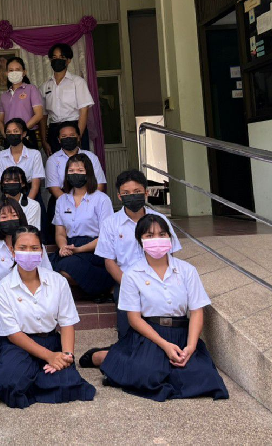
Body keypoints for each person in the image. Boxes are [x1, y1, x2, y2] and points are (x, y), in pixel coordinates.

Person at [83, 215, 229, 402]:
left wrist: (191, 347)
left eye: (162, 234)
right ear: (140, 240)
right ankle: (105, 356)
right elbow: (134, 319)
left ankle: (123, 355)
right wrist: (165, 345)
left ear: (170, 237)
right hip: (150, 334)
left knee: (205, 378)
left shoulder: (187, 270)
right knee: (148, 375)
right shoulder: (132, 274)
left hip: (181, 334)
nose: (157, 239)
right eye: (149, 235)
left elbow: (196, 312)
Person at [0, 226, 95, 407]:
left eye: (34, 248)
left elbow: (67, 323)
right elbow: (13, 334)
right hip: (18, 344)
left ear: (42, 251)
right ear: (12, 251)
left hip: (50, 340)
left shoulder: (58, 282)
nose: (29, 253)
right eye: (22, 248)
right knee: (13, 381)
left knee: (69, 383)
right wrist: (49, 357)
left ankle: (3, 382)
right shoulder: (3, 288)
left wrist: (66, 356)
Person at [94, 169, 183, 338]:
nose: (132, 196)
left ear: (146, 193)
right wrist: (130, 286)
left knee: (163, 331)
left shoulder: (160, 220)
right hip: (126, 282)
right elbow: (109, 261)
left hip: (159, 280)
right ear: (119, 196)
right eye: (126, 193)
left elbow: (170, 254)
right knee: (128, 335)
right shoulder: (110, 223)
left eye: (137, 192)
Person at [0, 198, 51, 363]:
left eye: (14, 215)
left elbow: (48, 278)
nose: (9, 220)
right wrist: (5, 310)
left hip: (31, 299)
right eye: (4, 217)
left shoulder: (36, 245)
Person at [52, 153, 115, 299]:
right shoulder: (62, 200)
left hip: (94, 248)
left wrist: (79, 249)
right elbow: (60, 232)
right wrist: (63, 247)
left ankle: (103, 285)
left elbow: (106, 236)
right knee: (52, 265)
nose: (75, 174)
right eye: (71, 171)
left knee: (67, 266)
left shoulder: (101, 199)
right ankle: (99, 289)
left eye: (80, 170)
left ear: (89, 173)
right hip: (70, 246)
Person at [44, 122, 106, 244]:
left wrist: (88, 201)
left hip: (90, 198)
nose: (68, 138)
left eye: (72, 135)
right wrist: (68, 203)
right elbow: (53, 187)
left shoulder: (91, 157)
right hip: (62, 198)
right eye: (64, 136)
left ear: (78, 137)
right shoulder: (53, 159)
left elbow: (99, 183)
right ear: (58, 140)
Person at [38, 43, 94, 155]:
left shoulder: (78, 82)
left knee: (78, 162)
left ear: (68, 60)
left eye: (61, 57)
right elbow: (43, 116)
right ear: (50, 60)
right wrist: (44, 140)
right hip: (54, 131)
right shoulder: (45, 86)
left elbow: (84, 111)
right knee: (56, 163)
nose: (57, 60)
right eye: (54, 57)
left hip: (74, 128)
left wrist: (78, 136)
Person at [0, 57, 43, 150]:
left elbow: (39, 114)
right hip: (10, 137)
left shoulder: (31, 89)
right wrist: (5, 134)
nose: (14, 72)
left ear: (24, 72)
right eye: (11, 70)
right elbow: (0, 120)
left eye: (17, 70)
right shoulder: (4, 95)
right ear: (6, 73)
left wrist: (21, 131)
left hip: (27, 135)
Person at [0, 118, 45, 202]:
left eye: (15, 131)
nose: (12, 134)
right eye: (8, 132)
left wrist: (27, 204)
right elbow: (2, 184)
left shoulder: (35, 154)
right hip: (8, 197)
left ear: (23, 134)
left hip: (31, 195)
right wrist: (12, 204)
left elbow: (35, 186)